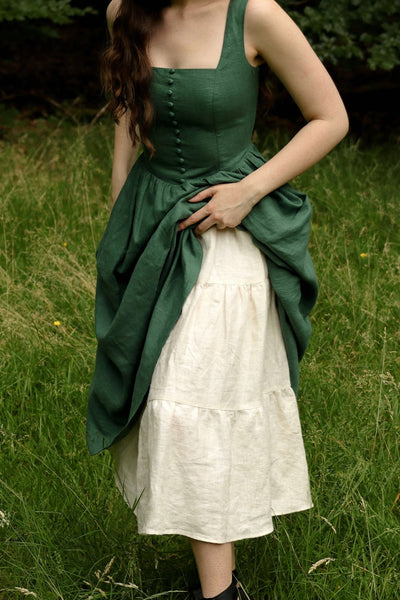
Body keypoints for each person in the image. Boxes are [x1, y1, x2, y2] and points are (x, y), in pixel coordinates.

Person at [86, 0, 349, 599]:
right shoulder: (125, 11)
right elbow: (129, 114)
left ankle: (219, 593)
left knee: (195, 392)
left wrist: (247, 192)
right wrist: (121, 214)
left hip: (227, 232)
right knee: (168, 398)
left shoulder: (255, 14)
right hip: (151, 225)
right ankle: (222, 581)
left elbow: (330, 117)